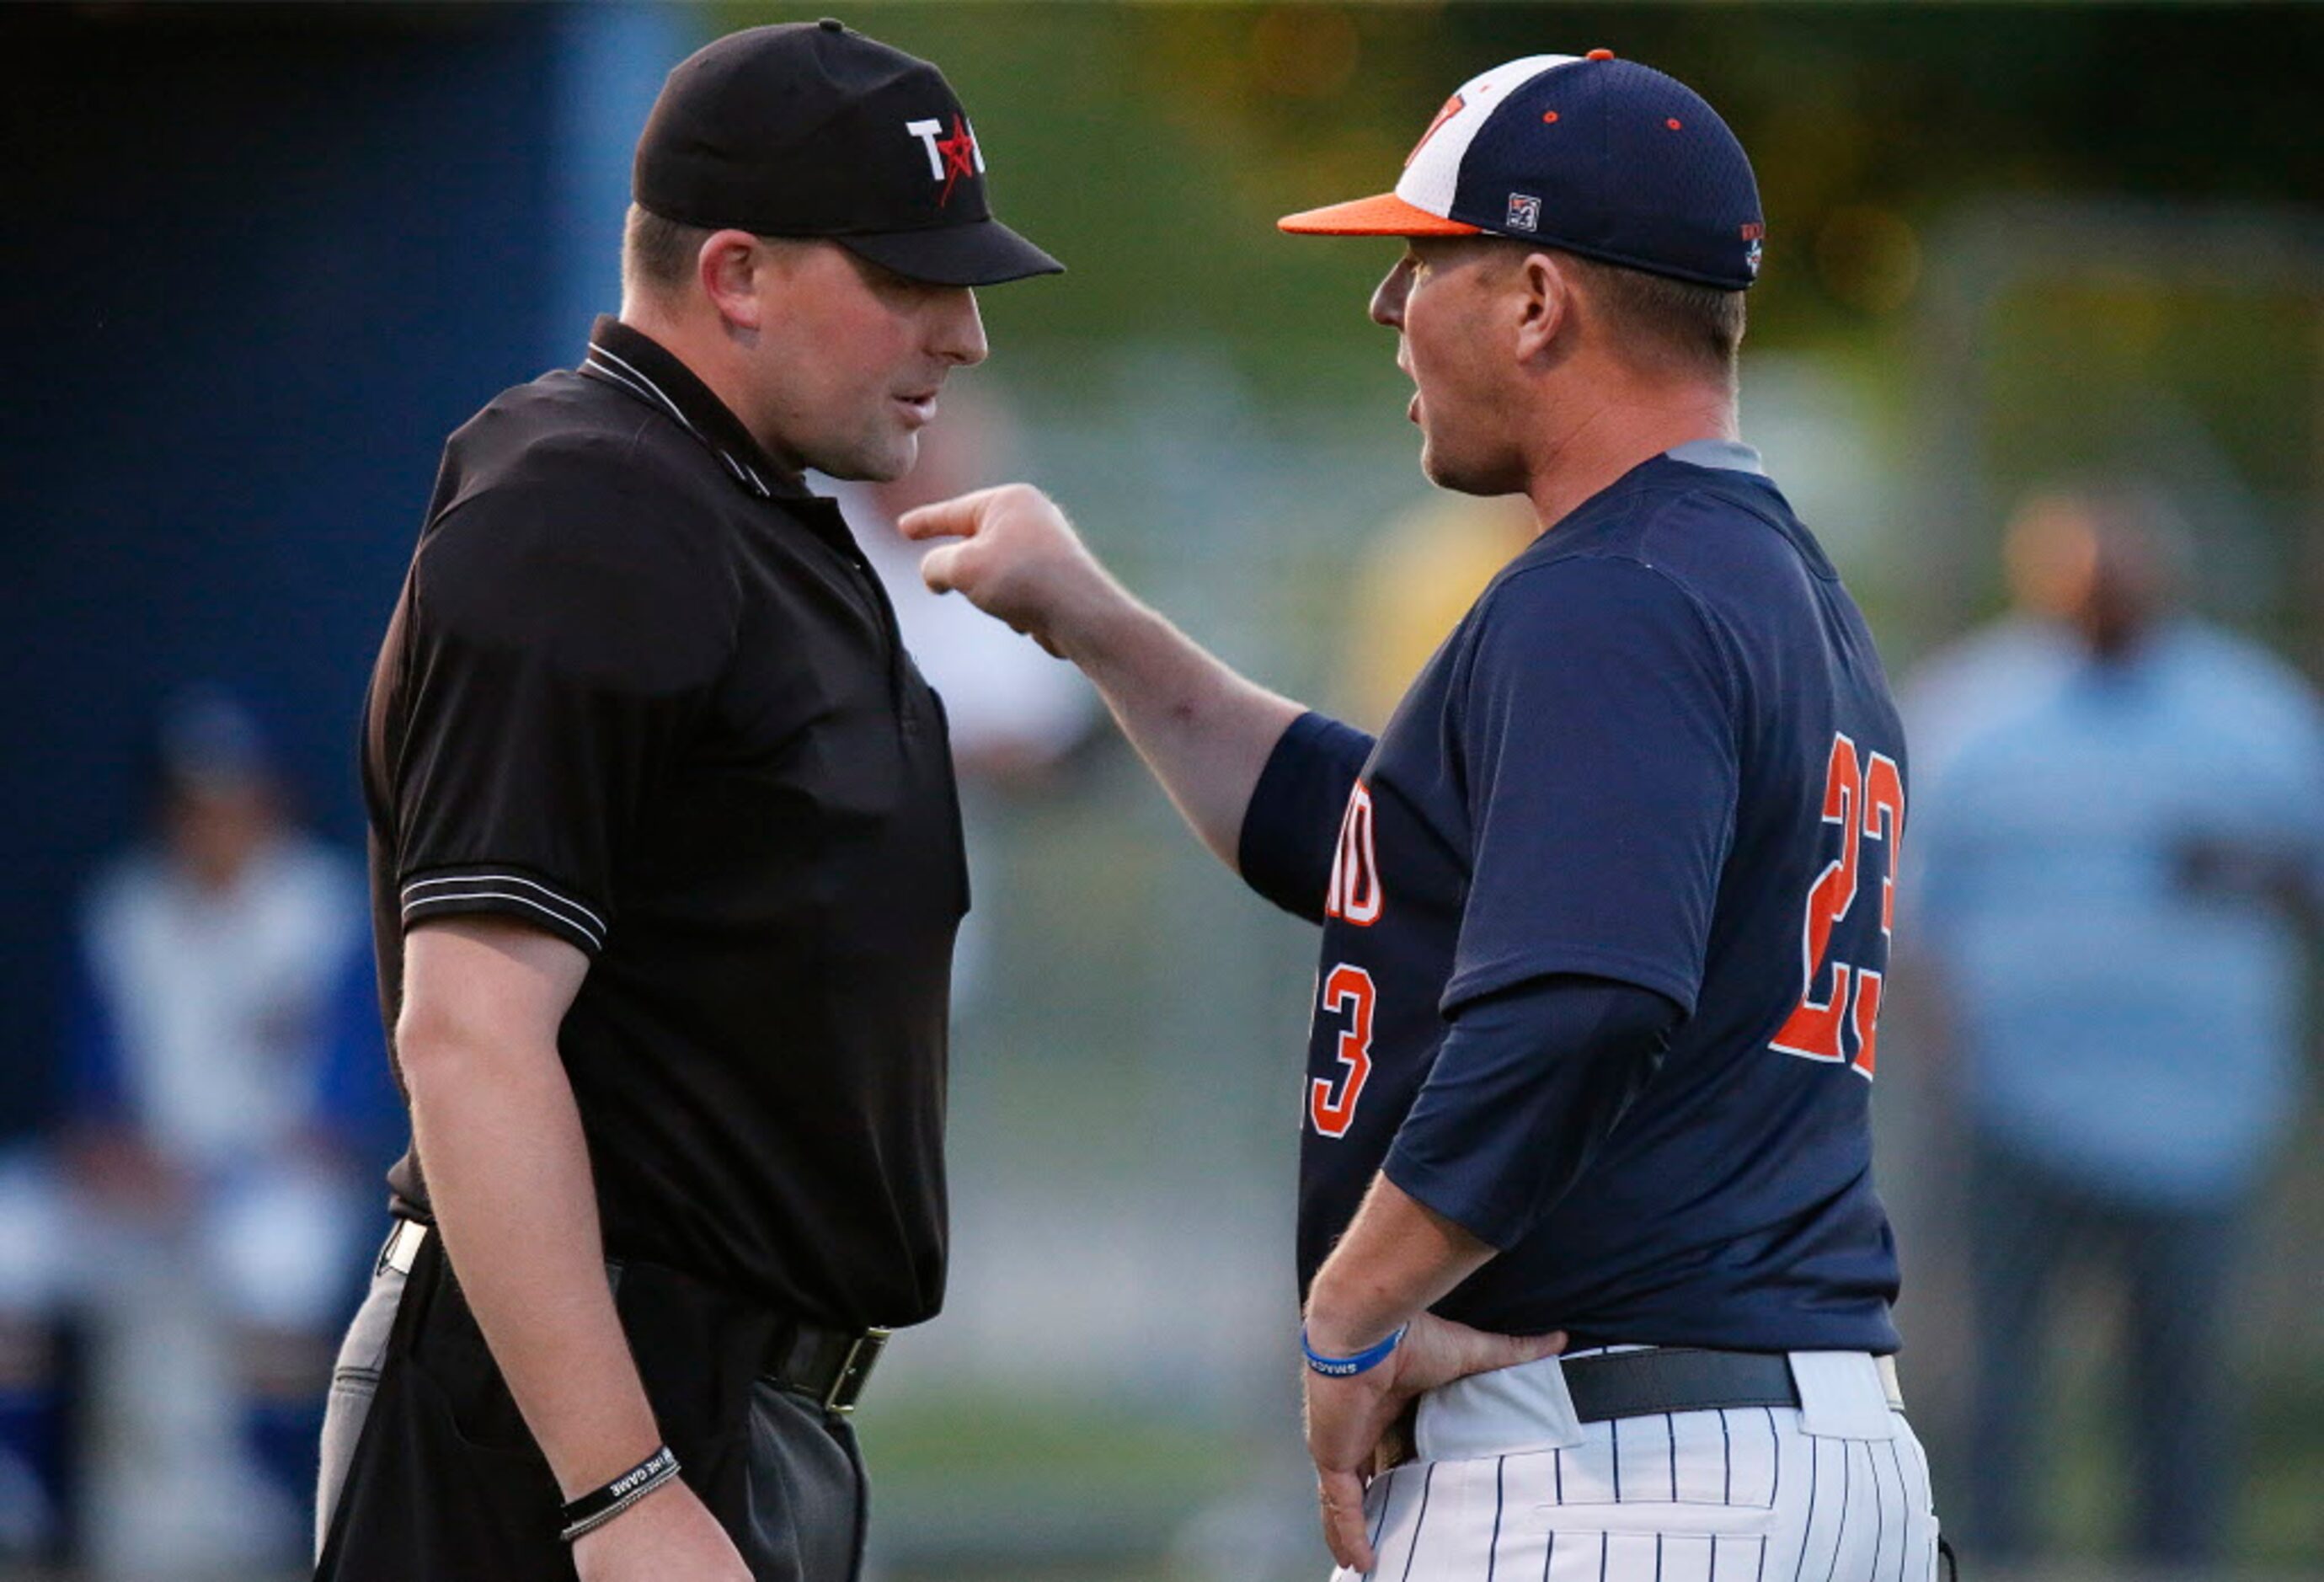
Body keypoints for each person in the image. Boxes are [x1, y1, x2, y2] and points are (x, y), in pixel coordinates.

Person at [901, 51, 1942, 1580]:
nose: (1386, 307)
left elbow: (1579, 997)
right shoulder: (1750, 582)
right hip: (1734, 1439)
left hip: (1617, 1466)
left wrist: (1347, 1314)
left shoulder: (1610, 597)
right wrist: (1091, 619)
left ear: (1533, 302)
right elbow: (1386, 846)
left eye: (1418, 259)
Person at [313, 22, 1059, 1582]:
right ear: (736, 275)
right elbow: (470, 1030)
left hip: (716, 1404)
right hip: (571, 1424)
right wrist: (621, 1486)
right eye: (912, 277)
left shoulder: (730, 503)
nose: (964, 333)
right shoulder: (592, 507)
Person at [1904, 484, 2324, 1565]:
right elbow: (1906, 911)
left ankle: (2175, 1558)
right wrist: (1948, 1059)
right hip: (2012, 1104)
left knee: (2180, 1368)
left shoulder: (2254, 713)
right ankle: (1993, 1552)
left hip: (2201, 1115)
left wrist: (2256, 871)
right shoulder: (1965, 712)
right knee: (1995, 1369)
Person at [0, 684, 387, 1573]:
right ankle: (16, 1491)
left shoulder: (324, 906)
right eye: (194, 800)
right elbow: (91, 1091)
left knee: (277, 1256)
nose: (213, 820)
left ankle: (274, 1500)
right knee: (9, 1228)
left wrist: (210, 1177)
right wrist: (117, 1155)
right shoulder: (123, 904)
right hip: (140, 1184)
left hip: (269, 1182)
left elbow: (337, 1117)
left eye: (233, 797)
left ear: (273, 796)